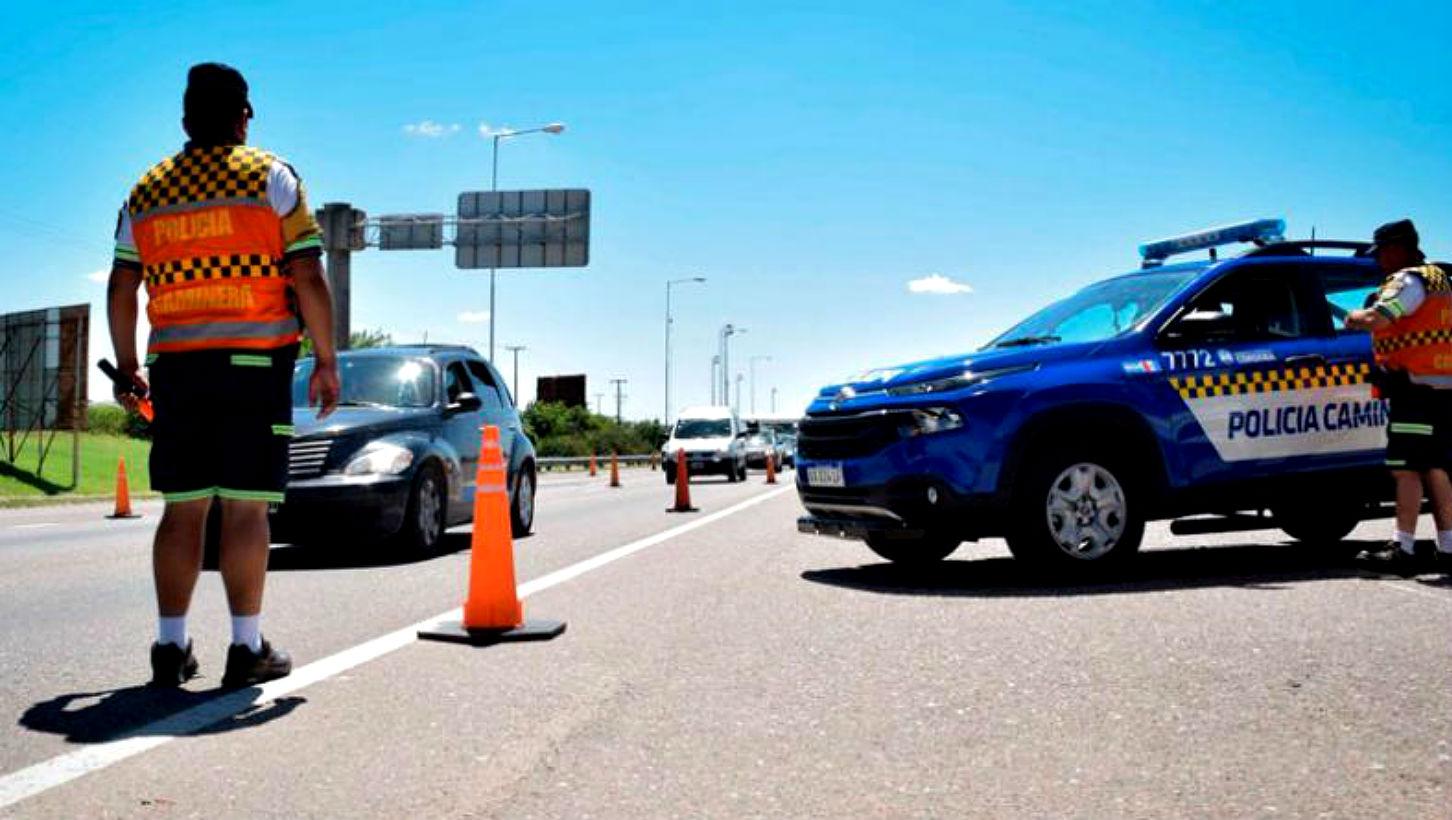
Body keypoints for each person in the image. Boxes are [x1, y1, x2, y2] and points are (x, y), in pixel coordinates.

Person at [107, 63, 341, 687]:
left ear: (185, 120)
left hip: (178, 371)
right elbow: (309, 276)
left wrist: (129, 366)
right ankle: (246, 646)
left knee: (182, 510)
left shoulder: (146, 191)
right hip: (254, 366)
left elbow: (123, 284)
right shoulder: (272, 177)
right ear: (244, 115)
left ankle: (170, 646)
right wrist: (325, 359)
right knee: (244, 510)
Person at [1344, 219, 1452, 574]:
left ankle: (1403, 549)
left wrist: (1353, 316)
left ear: (1397, 248)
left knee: (1406, 469)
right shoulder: (1442, 280)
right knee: (1436, 467)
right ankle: (1448, 548)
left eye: (1382, 253)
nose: (1379, 262)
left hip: (1414, 389)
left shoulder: (1408, 281)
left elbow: (1380, 318)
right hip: (1441, 389)